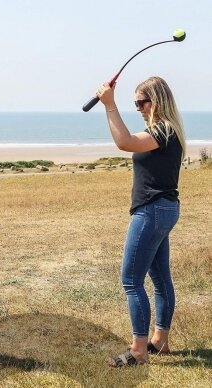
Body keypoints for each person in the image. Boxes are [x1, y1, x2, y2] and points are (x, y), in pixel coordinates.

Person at [96, 76, 186, 367]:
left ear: (156, 101)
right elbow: (130, 141)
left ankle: (138, 350)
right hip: (164, 208)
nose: (137, 108)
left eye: (140, 102)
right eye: (133, 103)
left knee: (131, 280)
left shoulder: (162, 130)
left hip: (153, 211)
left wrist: (110, 106)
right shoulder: (168, 131)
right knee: (160, 279)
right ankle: (159, 341)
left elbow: (125, 142)